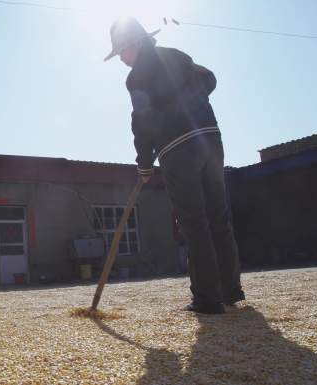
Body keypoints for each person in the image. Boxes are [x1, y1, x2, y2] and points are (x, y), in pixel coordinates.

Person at [105, 18, 245, 314]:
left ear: (136, 44)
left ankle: (208, 298)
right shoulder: (178, 56)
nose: (121, 58)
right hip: (210, 141)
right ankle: (230, 290)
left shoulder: (136, 77)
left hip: (178, 149)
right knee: (219, 218)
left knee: (194, 222)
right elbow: (209, 78)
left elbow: (141, 121)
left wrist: (144, 163)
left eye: (121, 51)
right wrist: (191, 100)